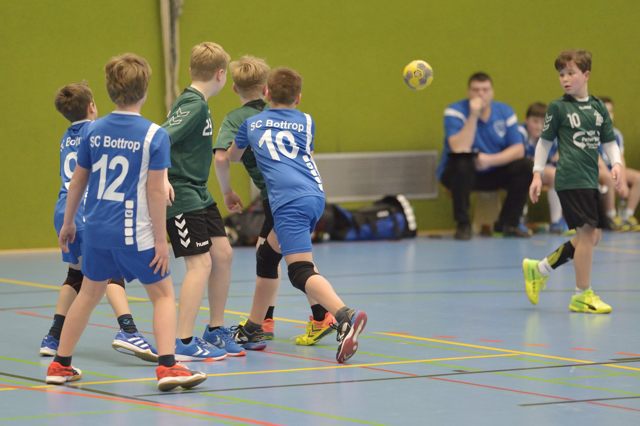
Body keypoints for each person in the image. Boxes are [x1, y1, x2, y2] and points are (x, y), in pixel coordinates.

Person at [46, 53, 206, 391]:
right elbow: (156, 191)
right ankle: (168, 367)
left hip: (96, 230)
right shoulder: (154, 135)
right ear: (145, 90)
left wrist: (69, 222)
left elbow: (77, 181)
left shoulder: (93, 131)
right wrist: (161, 241)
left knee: (88, 293)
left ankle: (60, 364)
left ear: (109, 90)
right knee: (163, 295)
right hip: (135, 231)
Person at [227, 67, 367, 363]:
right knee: (267, 256)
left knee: (299, 271)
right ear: (299, 98)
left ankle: (344, 316)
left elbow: (232, 156)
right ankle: (253, 328)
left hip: (289, 202)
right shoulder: (307, 120)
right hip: (314, 195)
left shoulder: (251, 124)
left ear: (266, 92)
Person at [213, 56, 335, 349]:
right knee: (272, 252)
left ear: (235, 88)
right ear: (266, 88)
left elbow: (222, 158)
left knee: (284, 258)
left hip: (279, 197)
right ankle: (272, 320)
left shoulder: (240, 119)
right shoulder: (284, 112)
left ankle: (319, 316)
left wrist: (227, 191)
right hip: (303, 191)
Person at [41, 82, 157, 363]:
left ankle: (53, 336)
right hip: (88, 211)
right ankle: (128, 330)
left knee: (75, 275)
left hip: (64, 210)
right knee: (110, 272)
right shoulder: (96, 131)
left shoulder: (67, 136)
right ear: (92, 106)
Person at [522, 49, 626, 314]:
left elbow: (609, 141)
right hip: (570, 178)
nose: (565, 79)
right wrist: (537, 174)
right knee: (588, 234)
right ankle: (582, 294)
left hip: (590, 179)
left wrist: (616, 163)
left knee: (592, 236)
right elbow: (544, 143)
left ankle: (539, 269)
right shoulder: (558, 108)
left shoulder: (598, 107)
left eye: (571, 73)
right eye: (561, 74)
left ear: (586, 75)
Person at [163, 42, 243, 360]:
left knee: (222, 254)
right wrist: (162, 178)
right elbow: (160, 137)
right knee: (200, 264)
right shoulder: (192, 104)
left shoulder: (199, 103)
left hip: (200, 191)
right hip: (181, 193)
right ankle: (182, 341)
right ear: (221, 74)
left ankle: (215, 328)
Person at [437, 72, 532, 240]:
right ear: (468, 92)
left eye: (485, 90)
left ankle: (508, 224)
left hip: (492, 170)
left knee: (525, 166)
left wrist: (489, 160)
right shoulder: (455, 111)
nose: (480, 94)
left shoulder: (505, 112)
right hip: (460, 174)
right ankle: (463, 224)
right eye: (476, 90)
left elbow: (518, 149)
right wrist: (474, 115)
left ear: (492, 92)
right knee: (462, 161)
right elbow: (459, 147)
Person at [519, 102, 568, 234]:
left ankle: (556, 221)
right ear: (526, 120)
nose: (539, 126)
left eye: (543, 123)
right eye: (535, 121)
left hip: (538, 173)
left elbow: (556, 160)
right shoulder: (519, 133)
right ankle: (519, 218)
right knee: (524, 173)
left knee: (557, 175)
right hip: (519, 172)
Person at [597, 96, 640, 231]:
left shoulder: (616, 135)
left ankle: (627, 215)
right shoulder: (590, 133)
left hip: (613, 170)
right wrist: (614, 178)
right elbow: (597, 160)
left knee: (638, 178)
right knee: (608, 177)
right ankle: (611, 216)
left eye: (610, 112)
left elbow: (620, 159)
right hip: (595, 170)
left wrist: (623, 180)